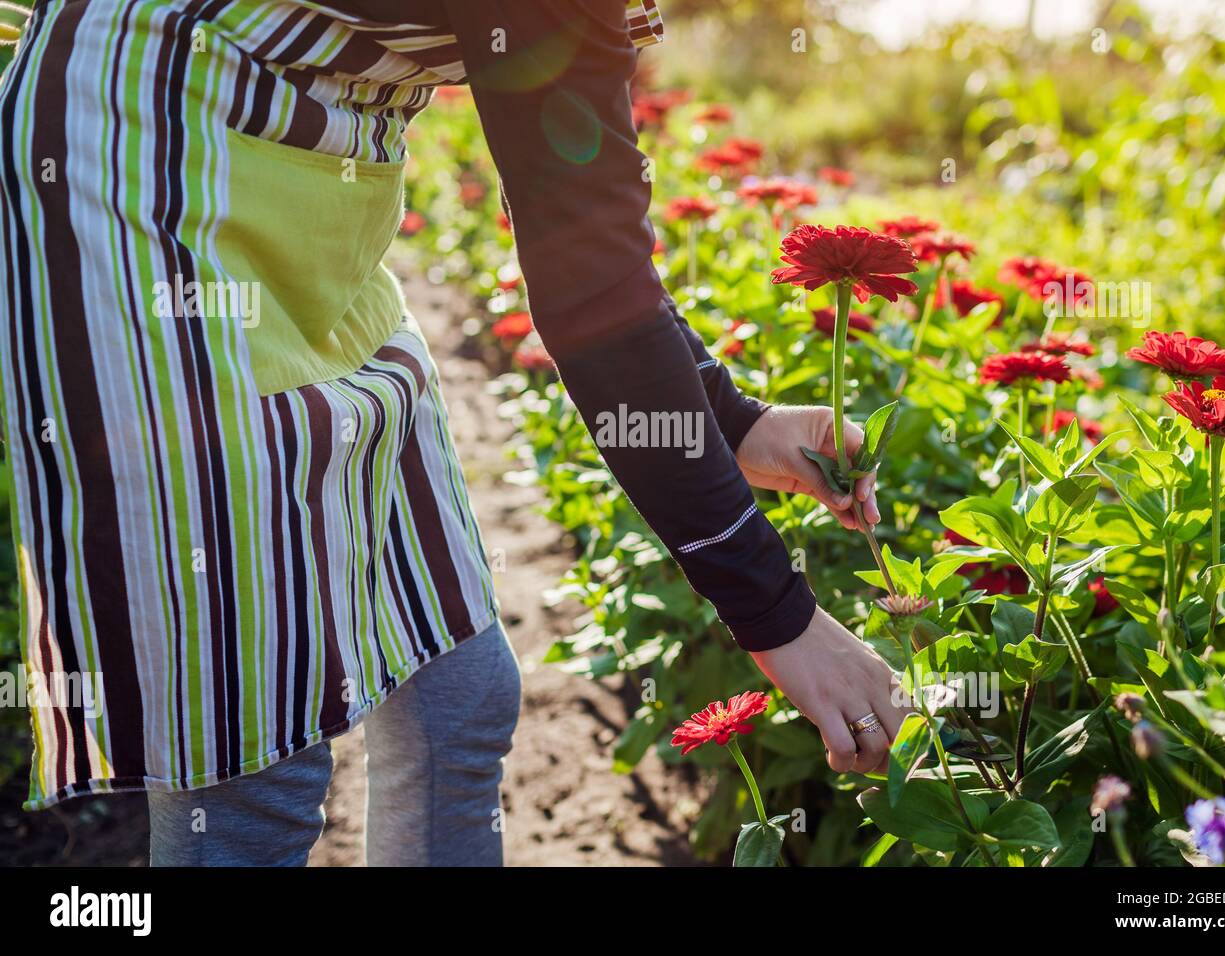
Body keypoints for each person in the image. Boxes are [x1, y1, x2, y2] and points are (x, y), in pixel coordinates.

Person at [0, 0, 908, 866]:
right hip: (141, 177)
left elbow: (587, 234)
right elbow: (587, 285)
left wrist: (736, 420)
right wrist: (779, 615)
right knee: (255, 771)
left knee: (458, 699)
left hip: (317, 197)